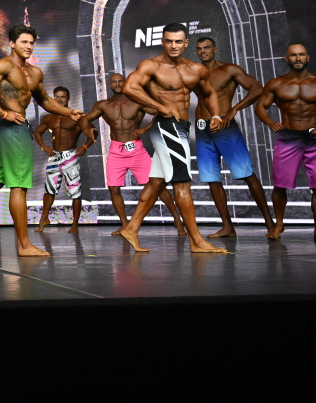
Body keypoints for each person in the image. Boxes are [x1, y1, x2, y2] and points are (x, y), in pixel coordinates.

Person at [0, 25, 82, 256]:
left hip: (19, 128)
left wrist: (69, 112)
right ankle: (24, 245)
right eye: (23, 42)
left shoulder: (35, 72)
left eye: (31, 42)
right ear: (12, 43)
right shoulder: (3, 66)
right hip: (12, 129)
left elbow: (45, 100)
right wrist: (3, 112)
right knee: (19, 186)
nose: (28, 46)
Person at [117, 23, 226, 253]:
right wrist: (159, 106)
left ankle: (131, 228)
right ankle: (196, 241)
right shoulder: (151, 66)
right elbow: (129, 87)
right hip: (167, 127)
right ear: (163, 42)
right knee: (182, 184)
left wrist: (216, 115)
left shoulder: (195, 69)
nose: (173, 46)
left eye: (178, 41)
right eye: (169, 41)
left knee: (157, 182)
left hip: (181, 127)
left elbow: (209, 93)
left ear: (186, 43)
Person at [81, 72, 186, 236]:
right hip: (116, 150)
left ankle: (177, 221)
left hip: (137, 150)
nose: (117, 84)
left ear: (125, 83)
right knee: (113, 188)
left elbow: (161, 111)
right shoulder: (103, 105)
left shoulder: (137, 102)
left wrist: (144, 129)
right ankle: (125, 225)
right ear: (109, 84)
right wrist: (87, 129)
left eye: (120, 81)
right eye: (114, 82)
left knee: (157, 185)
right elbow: (85, 119)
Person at [194, 36, 273, 236]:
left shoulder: (228, 70)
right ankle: (228, 227)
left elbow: (257, 88)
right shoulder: (194, 73)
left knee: (246, 174)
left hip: (225, 127)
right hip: (202, 129)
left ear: (215, 49)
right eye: (199, 49)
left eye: (207, 48)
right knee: (212, 179)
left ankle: (270, 224)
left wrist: (234, 109)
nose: (203, 51)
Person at [254, 43, 316, 240]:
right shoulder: (276, 84)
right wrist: (270, 122)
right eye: (293, 55)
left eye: (301, 54)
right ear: (286, 58)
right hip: (288, 138)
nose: (298, 58)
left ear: (307, 57)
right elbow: (260, 107)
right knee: (280, 185)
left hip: (315, 138)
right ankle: (279, 224)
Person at [34, 87, 88, 233]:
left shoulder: (76, 116)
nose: (59, 99)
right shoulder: (49, 118)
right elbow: (37, 132)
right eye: (56, 97)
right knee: (49, 190)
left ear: (68, 99)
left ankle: (75, 225)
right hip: (54, 157)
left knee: (75, 192)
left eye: (62, 97)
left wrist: (85, 146)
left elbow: (91, 132)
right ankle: (44, 219)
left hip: (70, 156)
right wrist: (44, 146)